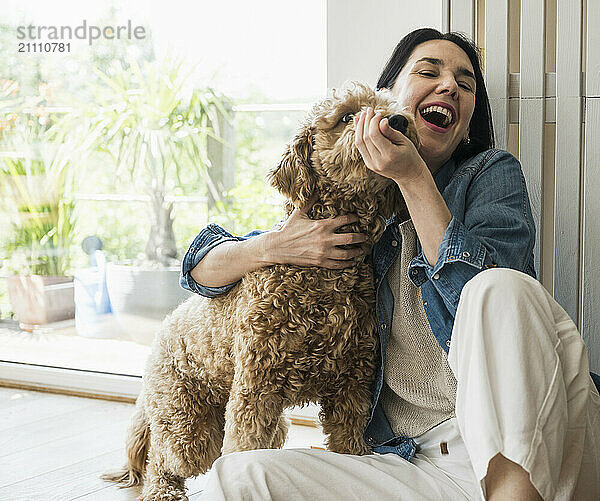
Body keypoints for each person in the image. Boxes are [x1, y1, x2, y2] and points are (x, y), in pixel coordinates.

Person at [180, 28, 600, 500]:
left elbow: (479, 307)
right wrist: (275, 246)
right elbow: (198, 267)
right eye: (428, 72)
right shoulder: (359, 215)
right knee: (236, 479)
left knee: (498, 288)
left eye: (465, 85)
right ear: (386, 99)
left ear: (465, 125)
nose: (449, 87)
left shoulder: (489, 175)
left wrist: (413, 177)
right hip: (415, 463)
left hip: (539, 449)